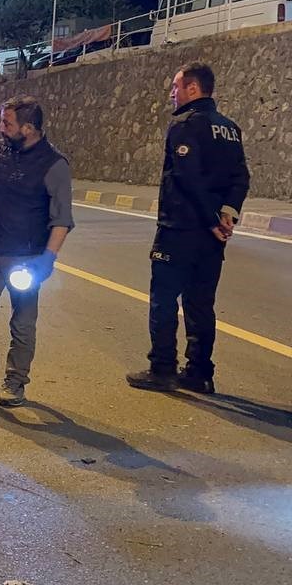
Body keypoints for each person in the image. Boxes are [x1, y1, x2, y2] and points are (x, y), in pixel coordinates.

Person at [127, 62, 249, 394]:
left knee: (163, 300)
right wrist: (227, 215)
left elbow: (188, 178)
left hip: (179, 229)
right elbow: (241, 178)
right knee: (200, 303)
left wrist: (211, 221)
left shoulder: (185, 126)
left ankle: (162, 368)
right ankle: (199, 373)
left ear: (193, 88)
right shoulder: (230, 129)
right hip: (212, 239)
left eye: (176, 86)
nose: (172, 93)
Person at [0, 96, 74, 408]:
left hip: (26, 257)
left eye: (6, 123)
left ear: (29, 128)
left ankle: (15, 382)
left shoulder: (54, 165)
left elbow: (62, 219)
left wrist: (49, 258)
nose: (0, 128)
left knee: (22, 322)